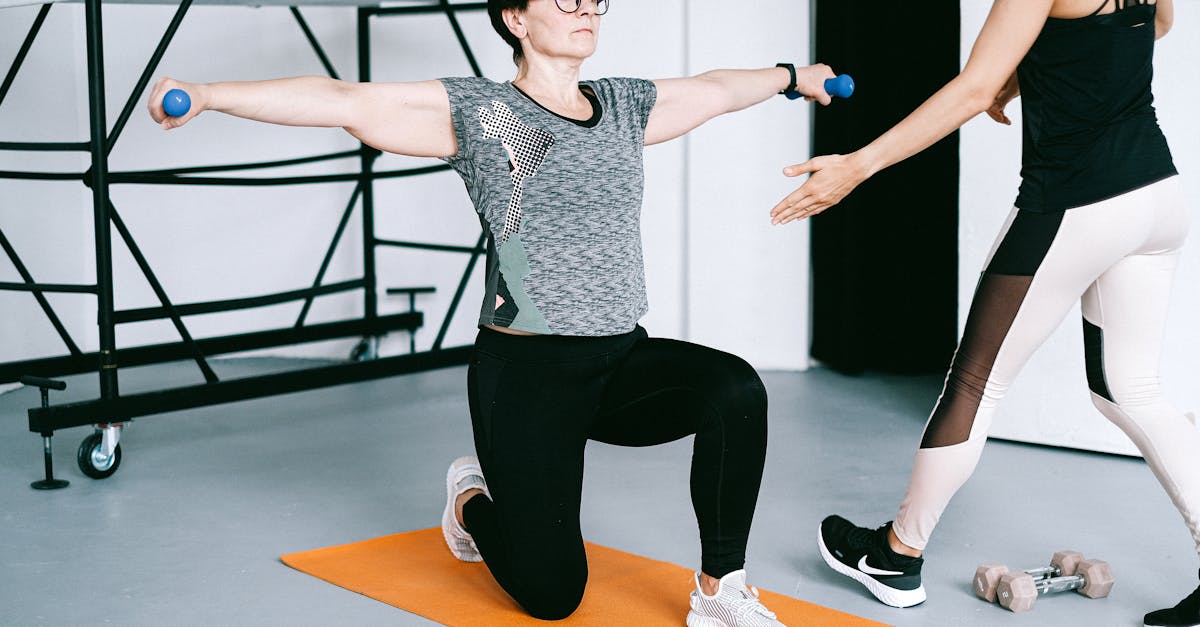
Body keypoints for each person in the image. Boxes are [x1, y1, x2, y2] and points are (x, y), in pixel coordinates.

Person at [150, 0, 837, 623]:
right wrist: (209, 96)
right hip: (528, 375)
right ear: (516, 17)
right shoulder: (487, 114)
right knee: (553, 595)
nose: (586, 9)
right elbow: (341, 100)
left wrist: (791, 75)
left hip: (619, 358)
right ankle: (471, 499)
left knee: (736, 389)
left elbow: (714, 90)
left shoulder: (624, 107)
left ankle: (719, 591)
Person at [770, 0, 1199, 624]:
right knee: (1133, 390)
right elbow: (1152, 25)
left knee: (975, 381)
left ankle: (896, 554)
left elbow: (971, 90)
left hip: (1076, 199)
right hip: (1156, 195)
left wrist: (855, 166)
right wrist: (1027, 72)